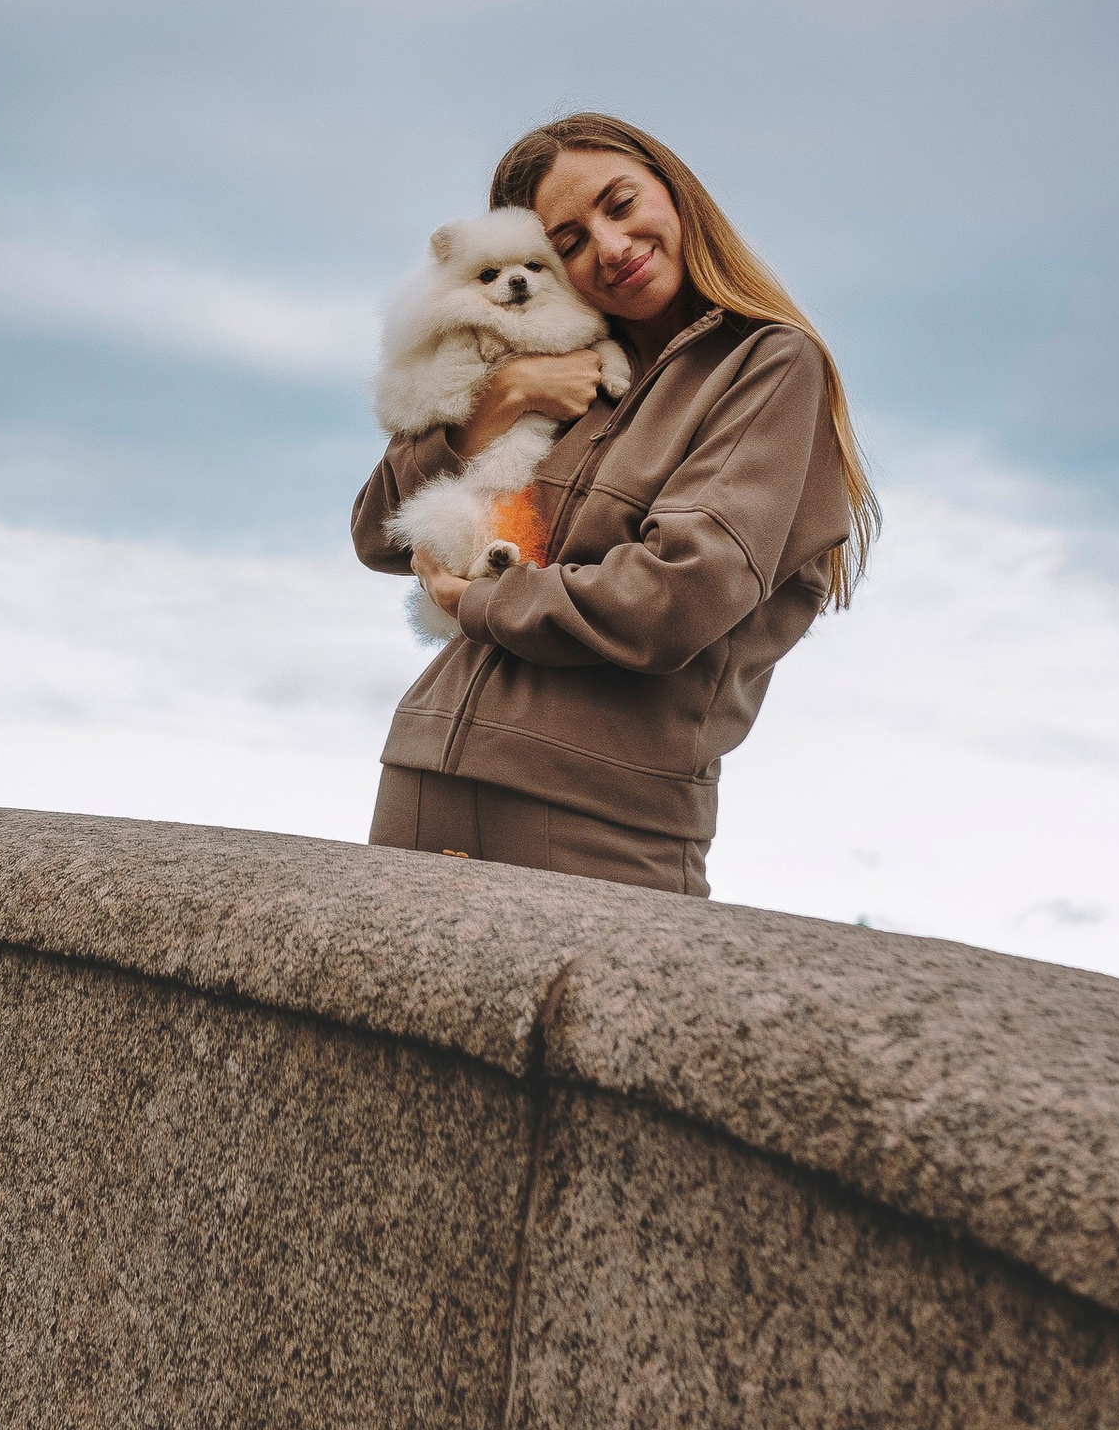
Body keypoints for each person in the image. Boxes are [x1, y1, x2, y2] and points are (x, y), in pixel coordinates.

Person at [353, 112, 875, 894]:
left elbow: (676, 597)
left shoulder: (768, 366)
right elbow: (377, 535)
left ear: (675, 192)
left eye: (621, 204)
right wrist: (501, 398)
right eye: (566, 241)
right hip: (421, 779)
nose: (609, 246)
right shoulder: (551, 363)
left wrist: (484, 603)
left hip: (604, 814)